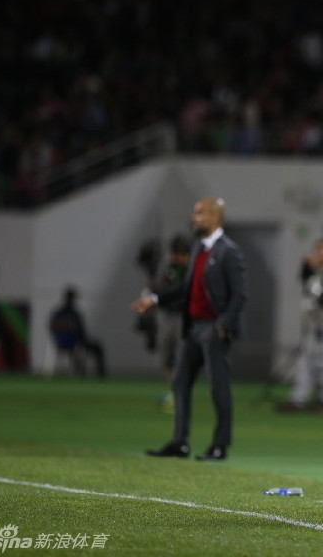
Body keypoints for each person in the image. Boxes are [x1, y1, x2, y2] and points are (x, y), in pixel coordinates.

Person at [130, 197, 247, 461]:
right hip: (193, 328)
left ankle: (220, 446)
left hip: (214, 329)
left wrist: (222, 325)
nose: (194, 217)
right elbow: (186, 288)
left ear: (215, 217)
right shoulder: (198, 248)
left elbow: (240, 295)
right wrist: (156, 299)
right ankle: (180, 442)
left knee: (219, 389)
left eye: (199, 213)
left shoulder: (229, 251)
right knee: (180, 383)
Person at [275, 238, 323, 414]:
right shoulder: (319, 271)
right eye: (319, 251)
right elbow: (305, 282)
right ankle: (299, 398)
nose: (321, 255)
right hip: (314, 322)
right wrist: (305, 266)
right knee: (307, 360)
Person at [148, 234, 192, 412]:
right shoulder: (172, 268)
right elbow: (163, 286)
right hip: (171, 315)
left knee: (180, 356)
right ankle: (174, 392)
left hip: (185, 317)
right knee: (167, 357)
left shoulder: (191, 269)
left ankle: (178, 395)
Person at [46, 286, 106, 378]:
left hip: (77, 342)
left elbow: (81, 330)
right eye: (72, 298)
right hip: (66, 342)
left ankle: (99, 375)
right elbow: (52, 326)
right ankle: (82, 373)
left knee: (95, 347)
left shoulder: (74, 313)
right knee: (79, 350)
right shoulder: (60, 313)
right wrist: (68, 326)